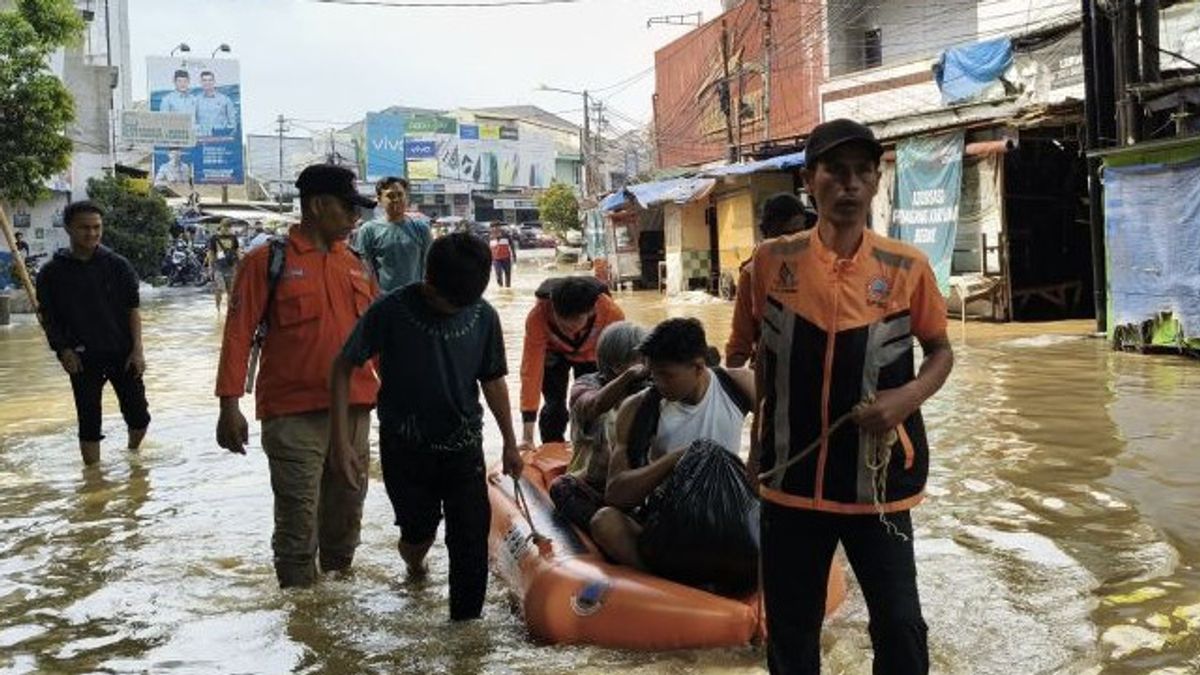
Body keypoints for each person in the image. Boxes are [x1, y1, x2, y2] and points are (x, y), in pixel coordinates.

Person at [746, 119, 954, 675]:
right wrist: (755, 450)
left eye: (864, 172)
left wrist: (905, 399)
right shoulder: (769, 263)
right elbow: (754, 360)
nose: (851, 185)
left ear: (878, 181)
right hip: (790, 483)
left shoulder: (907, 267)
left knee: (902, 627)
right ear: (810, 180)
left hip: (878, 485)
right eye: (836, 172)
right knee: (791, 634)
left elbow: (941, 353)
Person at [330, 231, 522, 621]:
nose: (453, 310)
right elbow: (343, 366)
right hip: (405, 447)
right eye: (445, 301)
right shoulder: (390, 310)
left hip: (464, 445)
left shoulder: (483, 315)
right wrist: (341, 442)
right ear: (428, 279)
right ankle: (415, 566)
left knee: (469, 539)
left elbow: (493, 380)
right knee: (418, 534)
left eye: (461, 304)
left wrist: (510, 443)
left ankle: (466, 635)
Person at [214, 163, 380, 589]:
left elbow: (379, 342)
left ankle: (338, 609)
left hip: (356, 413)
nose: (354, 218)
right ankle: (302, 617)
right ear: (318, 205)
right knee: (296, 524)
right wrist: (228, 406)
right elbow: (238, 334)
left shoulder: (358, 265)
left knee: (347, 518)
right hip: (292, 416)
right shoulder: (266, 261)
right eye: (348, 208)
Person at [591, 318, 754, 572]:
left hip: (729, 512)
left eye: (667, 375)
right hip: (671, 521)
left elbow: (781, 436)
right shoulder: (638, 407)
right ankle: (665, 584)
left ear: (699, 367)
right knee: (605, 522)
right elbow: (615, 494)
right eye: (653, 373)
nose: (658, 382)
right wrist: (674, 460)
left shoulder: (739, 385)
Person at [35, 201, 150, 466]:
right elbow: (48, 318)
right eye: (84, 228)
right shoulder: (52, 273)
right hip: (81, 357)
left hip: (123, 353)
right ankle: (93, 477)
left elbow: (133, 309)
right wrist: (62, 350)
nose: (92, 234)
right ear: (68, 229)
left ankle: (133, 455)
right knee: (88, 421)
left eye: (97, 227)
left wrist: (138, 350)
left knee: (139, 417)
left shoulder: (118, 265)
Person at [547, 321, 649, 531]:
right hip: (593, 486)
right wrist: (629, 377)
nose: (647, 365)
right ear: (618, 364)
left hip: (635, 487)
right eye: (641, 359)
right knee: (562, 488)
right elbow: (594, 406)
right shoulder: (586, 385)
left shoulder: (652, 389)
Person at [519, 276, 625, 447]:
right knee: (554, 406)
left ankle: (589, 446)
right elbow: (530, 372)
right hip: (554, 355)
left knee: (589, 404)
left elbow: (618, 361)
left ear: (591, 311)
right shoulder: (537, 316)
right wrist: (527, 436)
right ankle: (551, 446)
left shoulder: (611, 314)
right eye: (562, 322)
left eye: (575, 322)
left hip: (592, 354)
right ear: (553, 308)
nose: (568, 329)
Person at [725, 192, 815, 368]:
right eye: (787, 234)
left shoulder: (818, 266)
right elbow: (739, 343)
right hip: (772, 369)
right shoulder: (751, 274)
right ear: (769, 235)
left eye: (800, 233)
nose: (793, 241)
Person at [354, 176, 433, 293]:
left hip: (416, 300)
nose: (396, 199)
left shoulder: (421, 229)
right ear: (379, 199)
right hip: (383, 302)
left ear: (406, 197)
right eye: (390, 196)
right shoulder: (368, 230)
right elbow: (363, 270)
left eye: (400, 194)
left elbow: (430, 266)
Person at [206, 219, 241, 312]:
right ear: (221, 226)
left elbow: (237, 251)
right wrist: (210, 267)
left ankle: (229, 311)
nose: (226, 229)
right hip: (218, 267)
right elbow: (211, 253)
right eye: (225, 227)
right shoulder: (214, 238)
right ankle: (218, 308)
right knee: (220, 288)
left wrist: (240, 263)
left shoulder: (233, 237)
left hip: (231, 266)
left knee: (231, 291)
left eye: (228, 227)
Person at [194, 70, 236, 136]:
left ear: (214, 82)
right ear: (201, 82)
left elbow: (233, 124)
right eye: (204, 80)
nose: (207, 82)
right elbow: (193, 122)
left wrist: (225, 134)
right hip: (201, 141)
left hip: (222, 141)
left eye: (210, 80)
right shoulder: (196, 101)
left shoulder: (225, 100)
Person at [488, 223, 516, 288]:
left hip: (506, 258)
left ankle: (507, 289)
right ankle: (501, 288)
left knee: (508, 275)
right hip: (496, 259)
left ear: (499, 227)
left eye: (496, 227)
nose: (495, 229)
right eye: (493, 227)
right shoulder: (489, 237)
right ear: (491, 229)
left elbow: (512, 246)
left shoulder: (506, 235)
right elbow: (487, 249)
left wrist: (514, 256)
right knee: (498, 275)